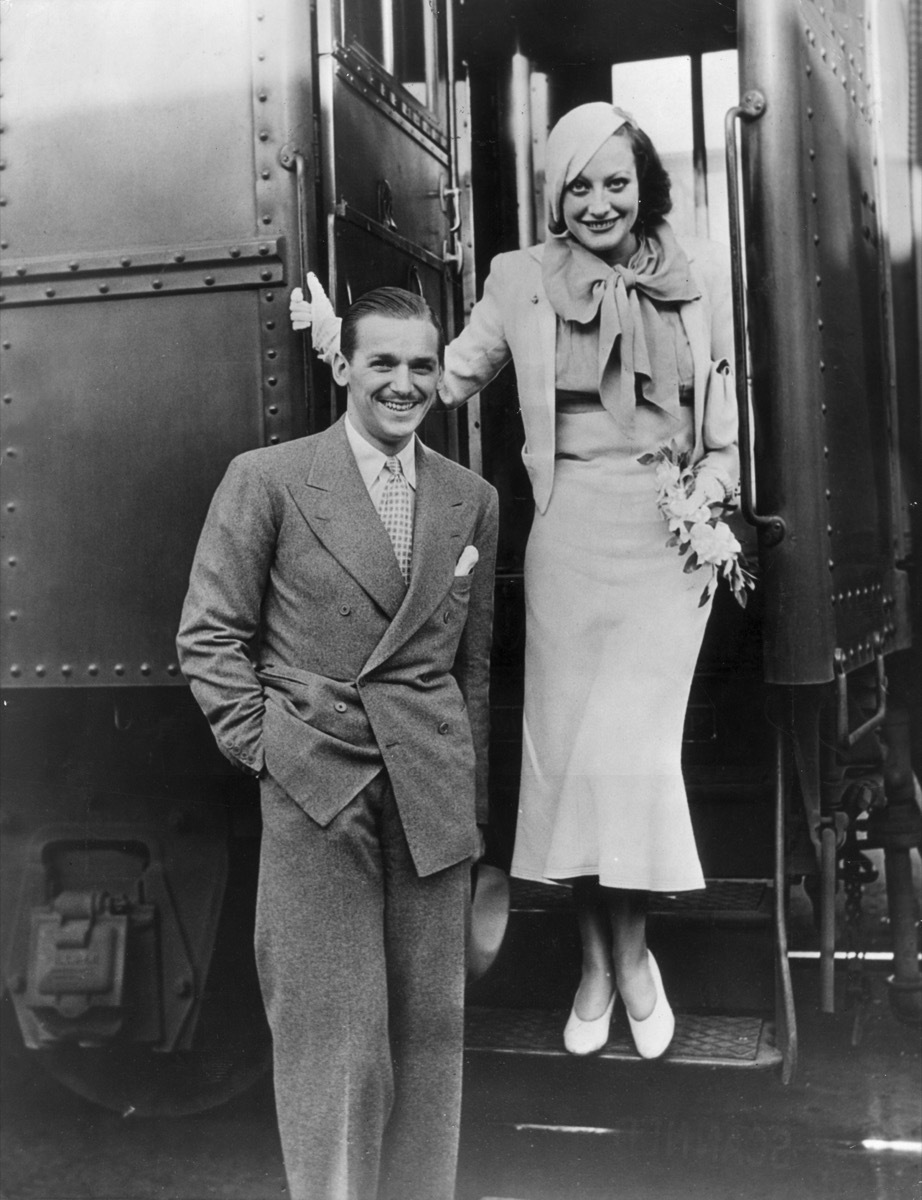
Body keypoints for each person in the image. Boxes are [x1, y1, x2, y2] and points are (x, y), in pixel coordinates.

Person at [290, 102, 738, 1061]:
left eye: (616, 180)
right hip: (571, 540)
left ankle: (630, 955)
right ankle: (598, 961)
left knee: (631, 762)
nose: (599, 202)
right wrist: (344, 344)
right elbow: (437, 381)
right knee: (573, 760)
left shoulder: (695, 276)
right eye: (577, 184)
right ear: (554, 194)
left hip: (670, 554)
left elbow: (726, 436)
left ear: (643, 183)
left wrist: (708, 500)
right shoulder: (519, 280)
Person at [177, 286, 499, 1200]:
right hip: (319, 786)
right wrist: (271, 749)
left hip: (431, 800)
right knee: (334, 1047)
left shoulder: (471, 500)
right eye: (384, 364)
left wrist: (470, 812)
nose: (403, 384)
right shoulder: (269, 478)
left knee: (431, 1053)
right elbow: (208, 635)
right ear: (345, 366)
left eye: (422, 366)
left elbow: (473, 671)